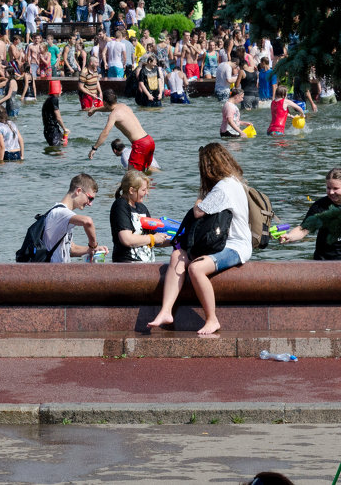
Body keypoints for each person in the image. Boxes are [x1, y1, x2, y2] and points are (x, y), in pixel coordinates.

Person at [148, 143, 251, 335]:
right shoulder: (234, 182)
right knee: (177, 255)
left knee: (196, 268)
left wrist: (198, 200)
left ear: (209, 167)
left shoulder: (224, 187)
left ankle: (212, 319)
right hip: (219, 242)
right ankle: (166, 311)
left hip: (235, 246)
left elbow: (198, 212)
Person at [278, 168, 341, 259]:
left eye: (336, 188)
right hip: (324, 262)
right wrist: (289, 236)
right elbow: (303, 230)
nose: (331, 192)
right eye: (328, 188)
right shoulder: (320, 206)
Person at [40, 173, 106, 263]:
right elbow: (88, 222)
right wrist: (93, 245)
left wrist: (93, 250)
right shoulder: (60, 212)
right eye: (90, 198)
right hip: (52, 271)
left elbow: (71, 249)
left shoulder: (65, 216)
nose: (90, 204)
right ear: (78, 191)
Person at [110, 170, 169, 263]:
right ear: (131, 190)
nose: (147, 193)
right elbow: (126, 239)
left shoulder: (142, 208)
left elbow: (155, 238)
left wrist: (176, 240)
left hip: (147, 263)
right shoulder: (120, 206)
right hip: (127, 263)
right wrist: (152, 238)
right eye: (143, 190)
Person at [87, 90, 155, 171]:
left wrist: (95, 148)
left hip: (140, 144)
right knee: (147, 171)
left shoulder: (113, 115)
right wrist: (95, 109)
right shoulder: (123, 106)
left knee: (131, 176)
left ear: (104, 102)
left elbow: (105, 133)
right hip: (149, 141)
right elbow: (109, 108)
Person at [41, 80, 70, 146]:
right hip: (52, 130)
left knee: (61, 146)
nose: (61, 92)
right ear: (57, 89)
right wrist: (64, 128)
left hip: (48, 130)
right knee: (57, 151)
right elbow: (58, 117)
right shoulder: (54, 99)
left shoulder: (48, 100)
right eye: (61, 90)